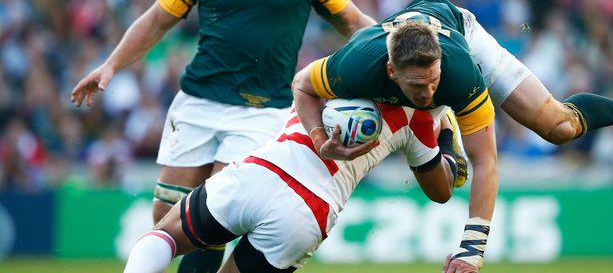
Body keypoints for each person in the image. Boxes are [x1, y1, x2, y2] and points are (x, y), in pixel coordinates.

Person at [70, 0, 375, 273]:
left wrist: (395, 48)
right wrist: (111, 65)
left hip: (261, 110)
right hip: (197, 102)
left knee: (215, 213)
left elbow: (353, 22)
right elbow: (158, 19)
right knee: (167, 211)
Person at [291, 0, 613, 273]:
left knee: (559, 127)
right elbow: (302, 86)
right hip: (397, 57)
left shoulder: (460, 75)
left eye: (433, 83)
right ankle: (444, 135)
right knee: (439, 189)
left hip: (461, 33)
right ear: (393, 73)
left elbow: (487, 161)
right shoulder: (354, 65)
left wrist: (473, 250)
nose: (428, 91)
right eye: (419, 87)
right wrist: (316, 137)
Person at [123, 103, 461, 272]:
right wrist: (445, 134)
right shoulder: (420, 120)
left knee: (166, 234)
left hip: (264, 171)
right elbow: (443, 188)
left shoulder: (341, 68)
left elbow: (302, 82)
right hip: (308, 213)